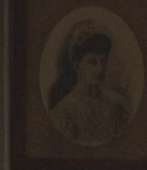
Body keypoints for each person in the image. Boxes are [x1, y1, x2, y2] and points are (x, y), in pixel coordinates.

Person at [46, 19, 132, 147]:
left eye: (103, 61)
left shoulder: (119, 105)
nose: (100, 69)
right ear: (77, 65)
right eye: (92, 61)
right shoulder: (64, 113)